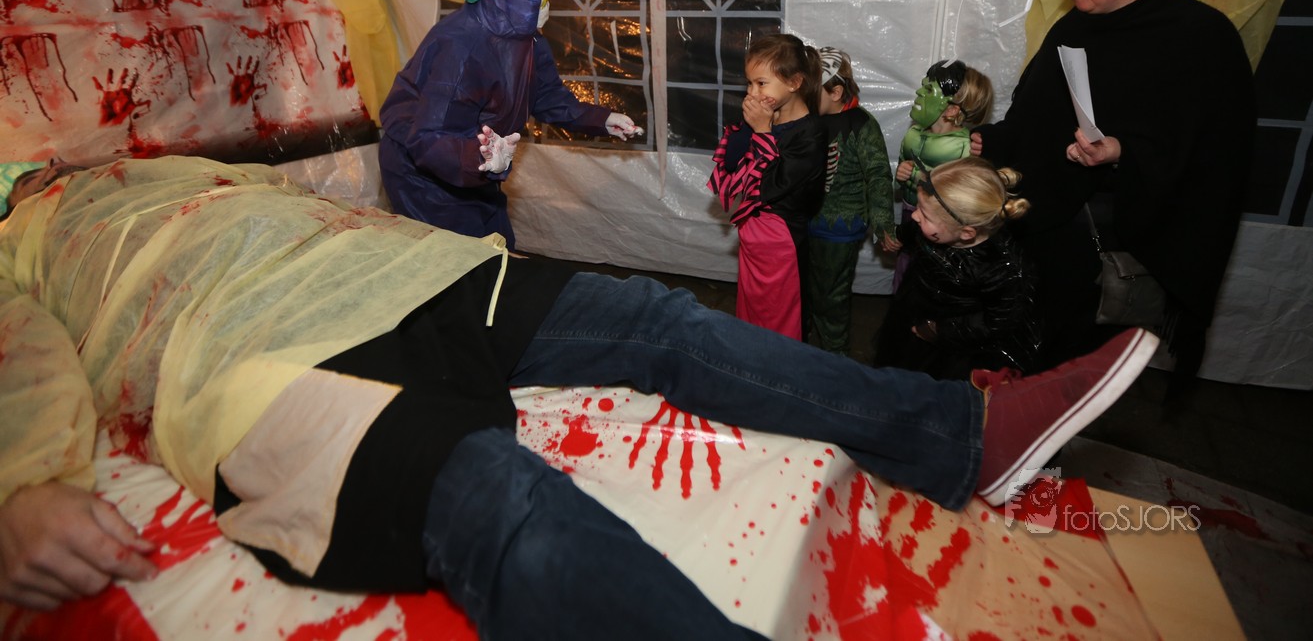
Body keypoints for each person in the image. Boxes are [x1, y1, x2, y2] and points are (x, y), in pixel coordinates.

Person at [0, 155, 1159, 638]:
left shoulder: (163, 165)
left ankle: (957, 432)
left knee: (658, 318)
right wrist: (23, 479)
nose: (44, 168)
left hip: (403, 273)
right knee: (492, 494)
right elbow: (19, 354)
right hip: (244, 359)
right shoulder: (26, 236)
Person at [971, 0, 1255, 387]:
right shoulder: (1073, 26)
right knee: (1007, 368)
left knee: (1063, 382)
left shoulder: (1200, 38)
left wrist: (1125, 153)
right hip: (1036, 239)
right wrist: (981, 141)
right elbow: (1032, 123)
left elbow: (1218, 155)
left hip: (1107, 256)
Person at [377, 0, 641, 249]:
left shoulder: (526, 39)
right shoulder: (461, 48)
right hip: (422, 174)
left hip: (478, 163)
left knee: (498, 246)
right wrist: (481, 158)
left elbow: (546, 96)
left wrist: (601, 120)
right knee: (459, 260)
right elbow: (429, 138)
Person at [874, 157, 1042, 380]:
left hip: (953, 346)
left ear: (966, 233)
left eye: (924, 214)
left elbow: (997, 322)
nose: (914, 215)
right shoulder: (937, 228)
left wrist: (938, 330)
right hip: (915, 308)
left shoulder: (1000, 269)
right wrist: (899, 236)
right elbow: (914, 230)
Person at [708, 33, 827, 339]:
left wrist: (762, 132)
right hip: (753, 238)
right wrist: (752, 127)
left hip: (782, 241)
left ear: (794, 82)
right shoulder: (767, 119)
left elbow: (771, 184)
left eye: (761, 83)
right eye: (749, 83)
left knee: (780, 314)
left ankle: (778, 361)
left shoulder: (811, 133)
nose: (752, 92)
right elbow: (732, 164)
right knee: (752, 311)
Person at [804, 47, 896, 354]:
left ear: (836, 92)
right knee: (806, 287)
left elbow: (878, 175)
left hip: (840, 227)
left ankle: (835, 354)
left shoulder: (862, 124)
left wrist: (883, 224)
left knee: (832, 294)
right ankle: (802, 342)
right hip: (805, 221)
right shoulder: (810, 119)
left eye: (813, 91)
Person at [888, 60, 994, 288]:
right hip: (910, 213)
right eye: (923, 86)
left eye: (928, 89)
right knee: (905, 269)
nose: (919, 92)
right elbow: (900, 183)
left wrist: (915, 175)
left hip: (940, 228)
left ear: (952, 109)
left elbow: (961, 199)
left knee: (930, 276)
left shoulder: (964, 147)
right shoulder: (912, 135)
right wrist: (901, 176)